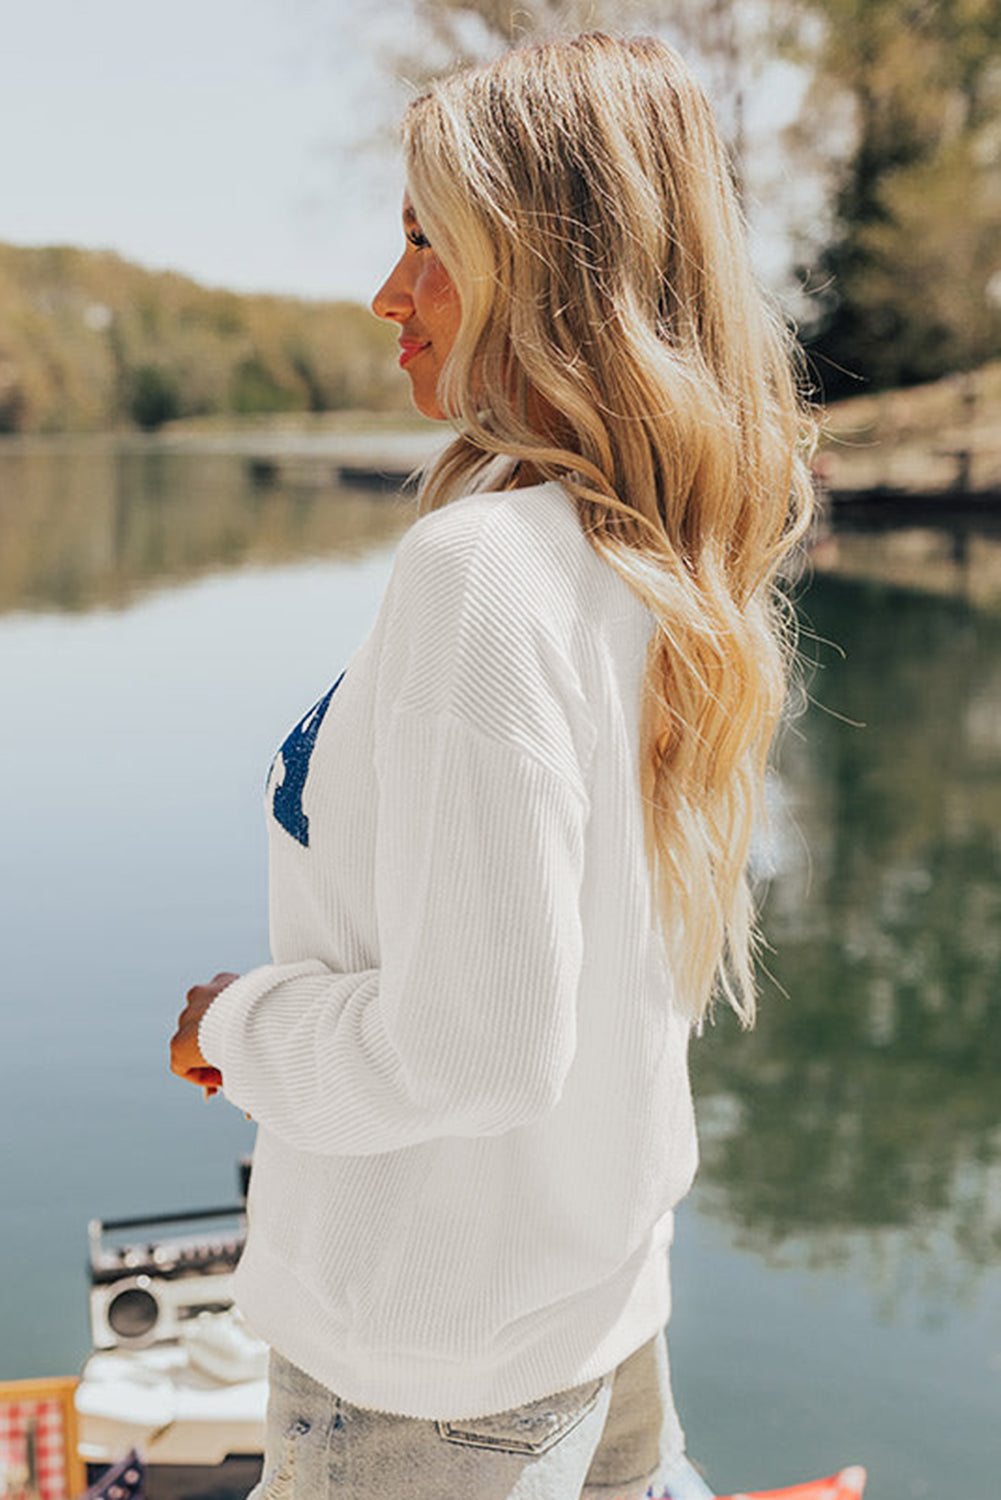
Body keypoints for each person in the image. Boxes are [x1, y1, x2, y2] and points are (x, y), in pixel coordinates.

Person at [170, 31, 814, 1500]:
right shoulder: (652, 567)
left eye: (425, 242)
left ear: (546, 271)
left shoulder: (482, 575)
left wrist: (243, 1024)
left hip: (424, 1376)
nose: (387, 293)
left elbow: (471, 1048)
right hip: (590, 1316)